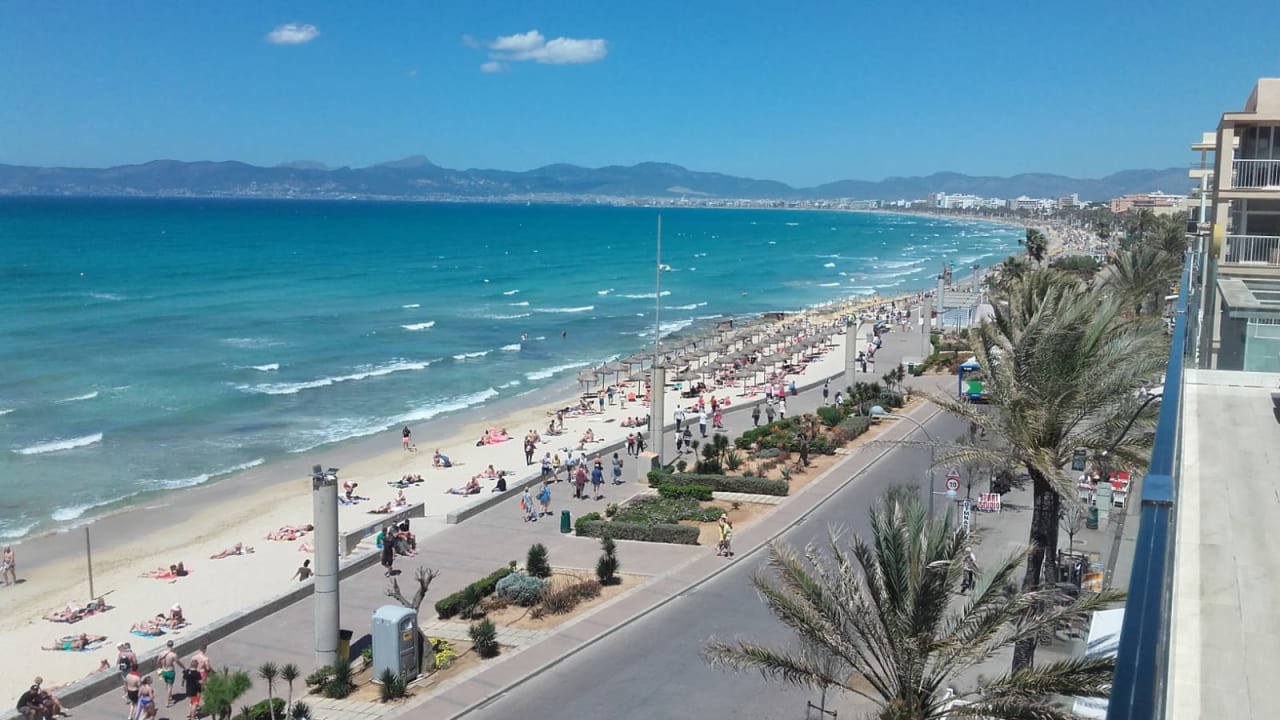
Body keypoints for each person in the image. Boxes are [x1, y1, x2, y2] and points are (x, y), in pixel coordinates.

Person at [157, 640, 185, 707]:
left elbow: (158, 662)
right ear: (172, 645)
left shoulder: (161, 653)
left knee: (166, 684)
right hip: (170, 671)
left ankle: (169, 696)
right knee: (170, 687)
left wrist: (160, 670)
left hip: (163, 671)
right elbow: (178, 662)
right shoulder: (173, 655)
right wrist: (184, 667)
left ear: (167, 645)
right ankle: (167, 701)